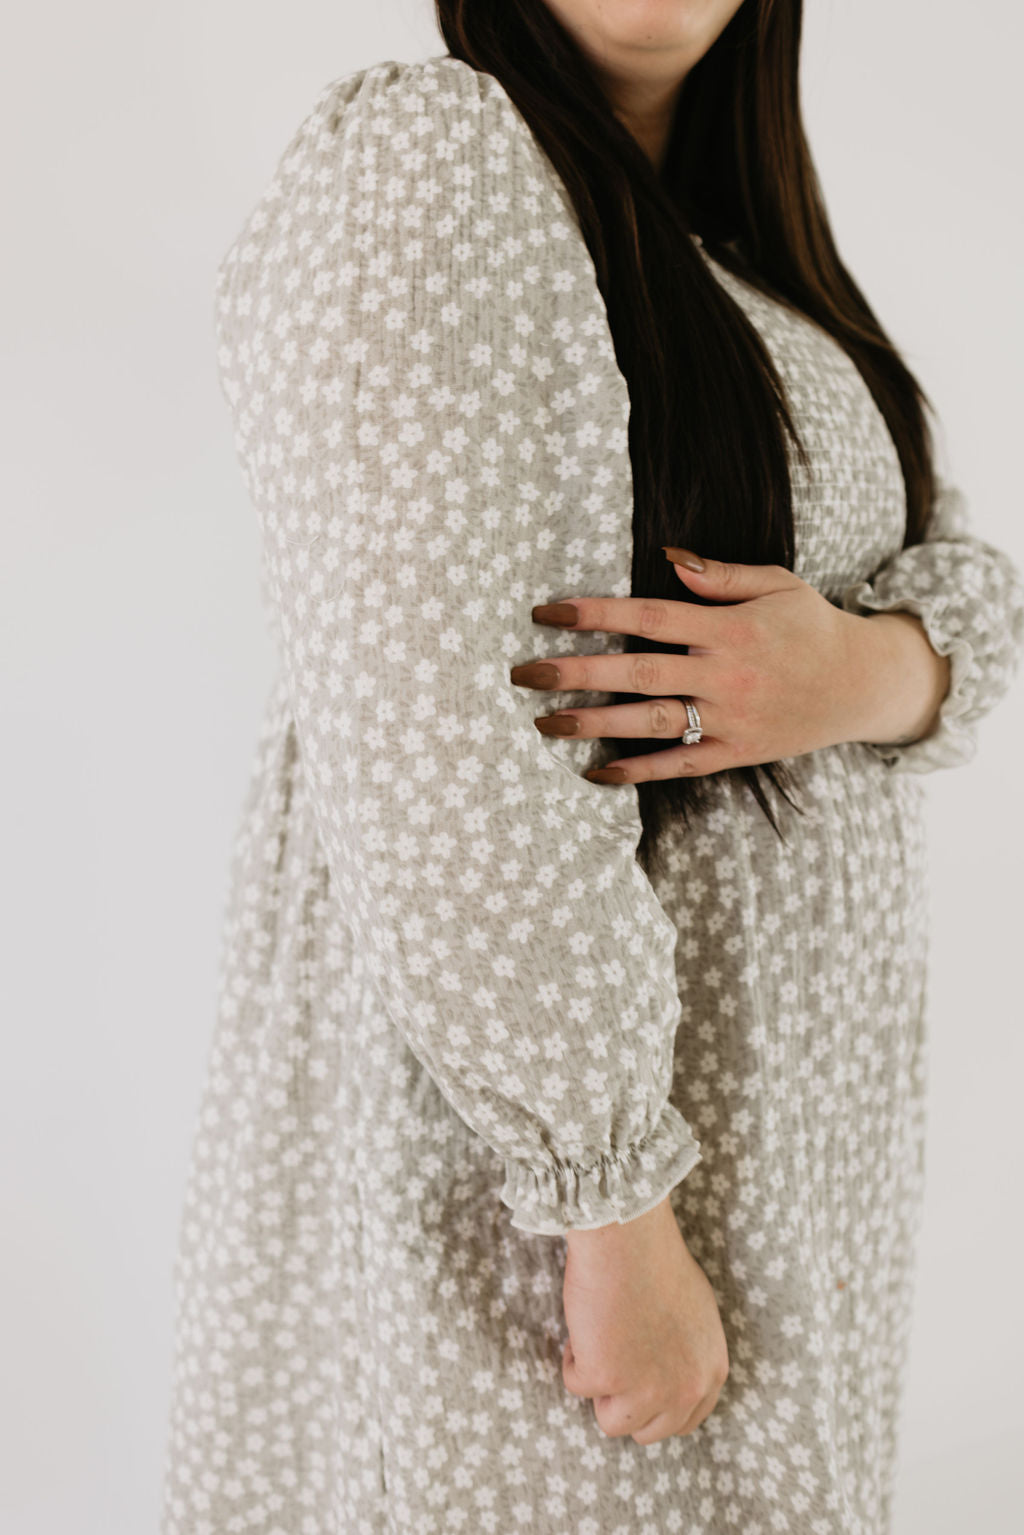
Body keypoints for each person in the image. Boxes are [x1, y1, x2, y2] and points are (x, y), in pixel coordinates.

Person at [160, 3, 1024, 1531]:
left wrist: (865, 669)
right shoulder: (438, 161)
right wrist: (608, 1197)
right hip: (549, 1194)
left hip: (769, 1157)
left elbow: (977, 590)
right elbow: (443, 754)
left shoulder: (756, 265)